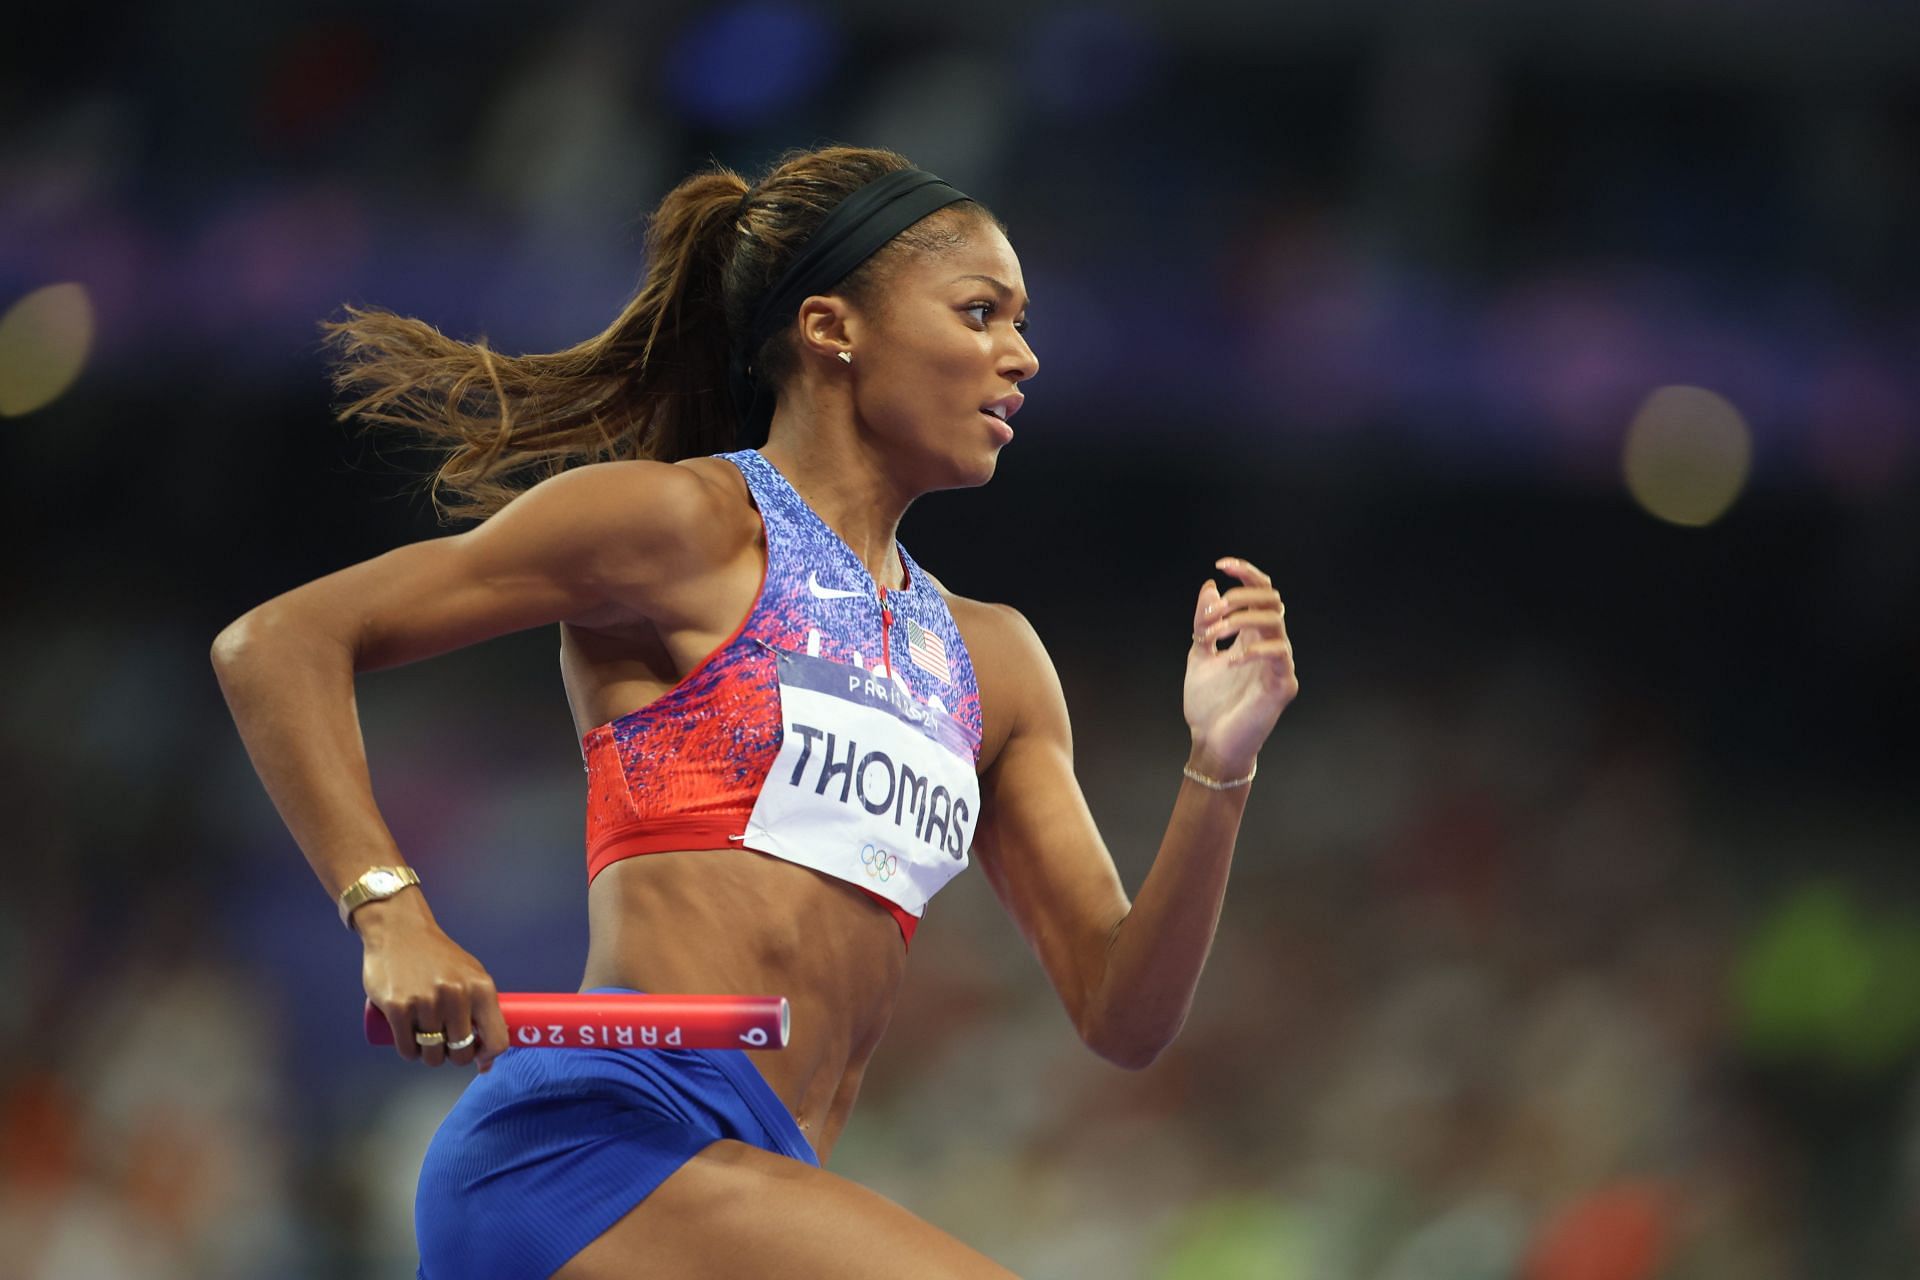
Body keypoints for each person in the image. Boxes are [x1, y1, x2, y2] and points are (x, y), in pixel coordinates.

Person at [210, 144, 1299, 1279]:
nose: (1021, 355)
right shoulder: (686, 530)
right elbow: (278, 642)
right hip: (596, 1147)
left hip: (755, 1174)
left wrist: (1220, 764)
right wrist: (392, 912)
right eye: (981, 312)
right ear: (833, 329)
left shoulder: (996, 662)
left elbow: (1124, 1014)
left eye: (1021, 322)